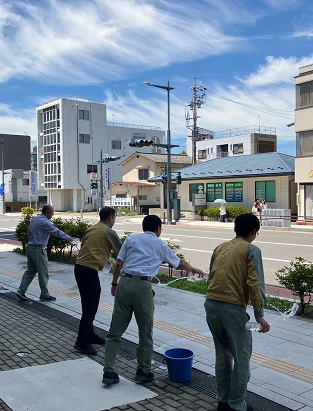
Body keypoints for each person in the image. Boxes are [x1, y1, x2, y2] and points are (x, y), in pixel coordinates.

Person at [102, 214, 204, 385]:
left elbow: (119, 263)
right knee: (145, 332)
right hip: (143, 287)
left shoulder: (131, 239)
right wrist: (192, 269)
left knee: (115, 331)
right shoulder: (159, 243)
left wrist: (114, 284)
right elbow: (178, 262)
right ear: (158, 229)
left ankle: (108, 371)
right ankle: (143, 371)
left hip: (124, 283)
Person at [204, 213, 270, 411]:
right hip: (233, 308)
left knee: (222, 354)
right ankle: (237, 405)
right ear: (253, 232)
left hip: (211, 304)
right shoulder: (251, 250)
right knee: (242, 357)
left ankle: (223, 401)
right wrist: (259, 314)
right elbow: (254, 283)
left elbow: (212, 275)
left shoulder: (220, 247)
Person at [74, 207, 122, 356]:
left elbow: (90, 248)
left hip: (80, 268)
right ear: (110, 218)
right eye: (114, 217)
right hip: (89, 270)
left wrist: (106, 257)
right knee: (91, 307)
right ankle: (81, 342)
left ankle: (90, 335)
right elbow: (123, 253)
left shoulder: (92, 228)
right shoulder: (109, 232)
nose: (114, 220)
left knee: (87, 304)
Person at [16, 205, 73, 301]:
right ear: (47, 212)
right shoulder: (44, 222)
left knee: (30, 271)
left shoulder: (35, 219)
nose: (53, 214)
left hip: (30, 247)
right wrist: (68, 238)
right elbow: (56, 231)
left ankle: (21, 291)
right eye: (52, 213)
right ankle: (44, 294)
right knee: (43, 272)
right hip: (38, 249)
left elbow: (28, 232)